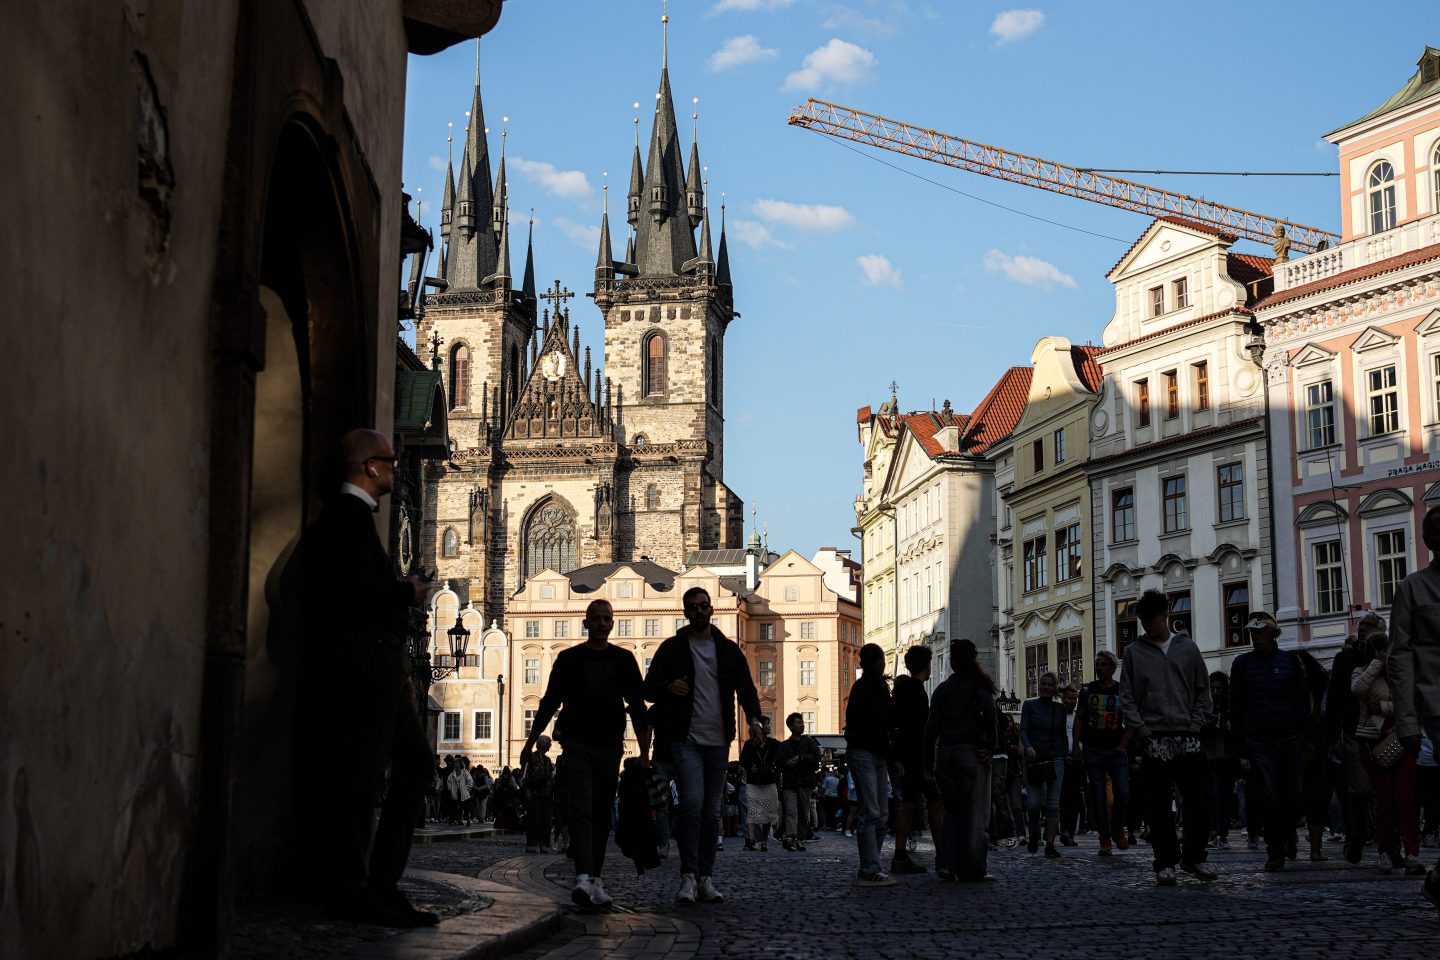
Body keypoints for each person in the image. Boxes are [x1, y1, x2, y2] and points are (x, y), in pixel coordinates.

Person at [291, 428, 437, 926]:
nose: (396, 469)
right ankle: (356, 889)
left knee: (410, 764)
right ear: (368, 467)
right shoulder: (345, 518)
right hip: (365, 667)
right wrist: (406, 594)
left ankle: (377, 884)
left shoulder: (352, 519)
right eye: (389, 461)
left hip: (380, 668)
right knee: (362, 776)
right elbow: (346, 594)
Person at [520, 598, 651, 909]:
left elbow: (636, 707)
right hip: (577, 744)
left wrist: (645, 751)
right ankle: (582, 876)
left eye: (607, 618)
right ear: (586, 623)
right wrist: (530, 742)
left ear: (612, 623)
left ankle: (596, 879)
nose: (602, 623)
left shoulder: (624, 659)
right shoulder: (568, 658)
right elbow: (549, 702)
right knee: (582, 809)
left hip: (610, 746)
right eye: (596, 618)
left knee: (602, 813)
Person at [645, 587, 763, 905]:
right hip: (685, 739)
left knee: (711, 813)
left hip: (718, 740)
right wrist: (668, 686)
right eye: (692, 607)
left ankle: (705, 879)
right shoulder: (671, 649)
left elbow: (747, 689)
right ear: (685, 613)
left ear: (711, 610)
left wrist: (755, 720)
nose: (698, 611)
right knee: (692, 806)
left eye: (703, 606)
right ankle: (688, 876)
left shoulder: (726, 650)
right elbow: (649, 688)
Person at [1118, 589, 1215, 886]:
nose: (1148, 625)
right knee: (1158, 804)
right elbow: (1127, 698)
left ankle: (1194, 857)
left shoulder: (1188, 649)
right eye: (1143, 620)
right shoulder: (1134, 653)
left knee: (1198, 798)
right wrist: (1143, 732)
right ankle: (1165, 861)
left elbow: (1202, 690)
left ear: (1166, 614)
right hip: (1155, 736)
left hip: (1187, 734)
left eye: (1153, 619)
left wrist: (1197, 723)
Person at [1230, 612, 1312, 873]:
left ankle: (1287, 834)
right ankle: (1274, 849)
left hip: (1290, 737)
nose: (1255, 637)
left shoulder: (1290, 661)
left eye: (1259, 632)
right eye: (1252, 633)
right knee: (1269, 796)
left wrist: (1307, 737)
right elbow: (1236, 706)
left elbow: (1302, 702)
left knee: (1295, 795)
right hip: (1259, 740)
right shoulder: (1242, 664)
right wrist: (1239, 746)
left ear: (1272, 633)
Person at [1390, 503, 1440, 911]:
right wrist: (1407, 719)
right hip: (1436, 703)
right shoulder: (1412, 588)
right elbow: (1400, 657)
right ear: (1428, 541)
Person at [923, 638, 997, 882]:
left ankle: (946, 863)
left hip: (945, 754)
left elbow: (931, 729)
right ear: (973, 658)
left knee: (952, 813)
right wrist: (989, 746)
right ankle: (973, 867)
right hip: (971, 754)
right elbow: (990, 715)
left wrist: (928, 762)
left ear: (952, 662)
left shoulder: (942, 690)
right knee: (976, 815)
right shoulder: (979, 686)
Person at [1351, 627, 1424, 876]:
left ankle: (1411, 852)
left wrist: (1380, 705)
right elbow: (1359, 690)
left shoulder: (1401, 674)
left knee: (1405, 799)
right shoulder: (1361, 671)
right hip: (1374, 743)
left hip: (1402, 739)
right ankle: (1384, 851)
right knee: (1385, 801)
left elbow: (1411, 702)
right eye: (1382, 650)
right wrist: (1376, 665)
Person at [1325, 616, 1386, 862]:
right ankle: (1357, 836)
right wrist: (1333, 735)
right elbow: (1336, 698)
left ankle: (1388, 844)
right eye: (1360, 627)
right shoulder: (1346, 659)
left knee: (1385, 792)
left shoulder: (1388, 657)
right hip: (1354, 731)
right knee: (1359, 790)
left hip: (1385, 731)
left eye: (1368, 628)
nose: (1362, 631)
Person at [846, 643, 899, 886]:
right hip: (864, 752)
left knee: (881, 812)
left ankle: (871, 864)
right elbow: (883, 722)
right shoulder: (867, 688)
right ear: (878, 662)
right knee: (872, 811)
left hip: (875, 752)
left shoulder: (874, 687)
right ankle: (869, 868)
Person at [890, 646, 944, 873]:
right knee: (935, 800)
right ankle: (943, 853)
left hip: (906, 756)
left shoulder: (902, 690)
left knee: (909, 805)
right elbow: (920, 730)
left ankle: (900, 854)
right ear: (926, 665)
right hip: (916, 758)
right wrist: (925, 762)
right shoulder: (917, 692)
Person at [1074, 650, 1129, 855]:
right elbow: (1079, 718)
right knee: (1098, 796)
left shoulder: (1122, 690)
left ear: (1113, 668)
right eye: (1097, 664)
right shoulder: (1088, 690)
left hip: (1116, 749)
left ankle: (1117, 828)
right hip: (1093, 749)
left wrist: (1123, 745)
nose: (1100, 668)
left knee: (1123, 792)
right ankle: (1104, 838)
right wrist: (1076, 746)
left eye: (1104, 665)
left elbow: (1131, 720)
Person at [1019, 672, 1067, 859]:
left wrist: (1064, 754)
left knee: (1053, 804)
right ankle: (1034, 833)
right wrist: (1028, 747)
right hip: (1034, 759)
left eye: (1049, 684)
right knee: (1034, 803)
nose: (1046, 687)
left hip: (1055, 758)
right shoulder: (1030, 705)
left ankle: (1050, 844)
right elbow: (1023, 730)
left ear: (1055, 687)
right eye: (1043, 684)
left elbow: (1062, 734)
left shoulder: (1060, 709)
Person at [1200, 672, 1236, 850]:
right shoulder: (1206, 706)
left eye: (1218, 688)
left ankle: (1223, 834)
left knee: (1226, 796)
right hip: (1210, 755)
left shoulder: (1230, 708)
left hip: (1228, 756)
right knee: (1214, 795)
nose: (1215, 692)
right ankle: (1213, 832)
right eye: (1212, 688)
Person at [777, 713, 822, 852]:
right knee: (791, 811)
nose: (802, 725)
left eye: (802, 722)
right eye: (798, 722)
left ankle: (801, 839)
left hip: (805, 782)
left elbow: (816, 759)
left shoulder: (809, 742)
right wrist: (787, 763)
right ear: (790, 726)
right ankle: (791, 838)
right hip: (790, 783)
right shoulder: (784, 746)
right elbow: (778, 764)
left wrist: (800, 758)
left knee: (803, 811)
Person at [740, 716, 781, 851]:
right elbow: (743, 761)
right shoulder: (749, 744)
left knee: (768, 812)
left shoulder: (774, 744)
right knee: (752, 811)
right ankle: (751, 840)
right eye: (767, 724)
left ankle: (764, 840)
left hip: (769, 781)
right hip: (753, 782)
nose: (769, 727)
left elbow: (781, 758)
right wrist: (750, 767)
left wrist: (772, 770)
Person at [1058, 685, 1085, 845]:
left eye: (1075, 699)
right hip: (1061, 759)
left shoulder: (1078, 717)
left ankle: (1070, 831)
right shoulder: (1059, 716)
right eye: (1069, 698)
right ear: (1063, 699)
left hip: (1076, 760)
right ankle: (1063, 828)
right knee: (1062, 797)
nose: (1072, 701)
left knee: (1074, 797)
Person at [523, 736, 555, 853]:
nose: (550, 746)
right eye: (548, 744)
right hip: (535, 794)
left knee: (546, 822)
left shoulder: (547, 760)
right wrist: (527, 791)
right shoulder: (531, 758)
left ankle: (544, 844)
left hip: (546, 795)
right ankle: (532, 844)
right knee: (534, 820)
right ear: (542, 744)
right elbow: (525, 777)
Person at [820, 767, 840, 833]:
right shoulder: (838, 779)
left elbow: (823, 787)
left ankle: (829, 825)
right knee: (834, 811)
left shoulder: (827, 779)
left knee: (827, 811)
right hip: (836, 797)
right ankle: (834, 825)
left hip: (828, 796)